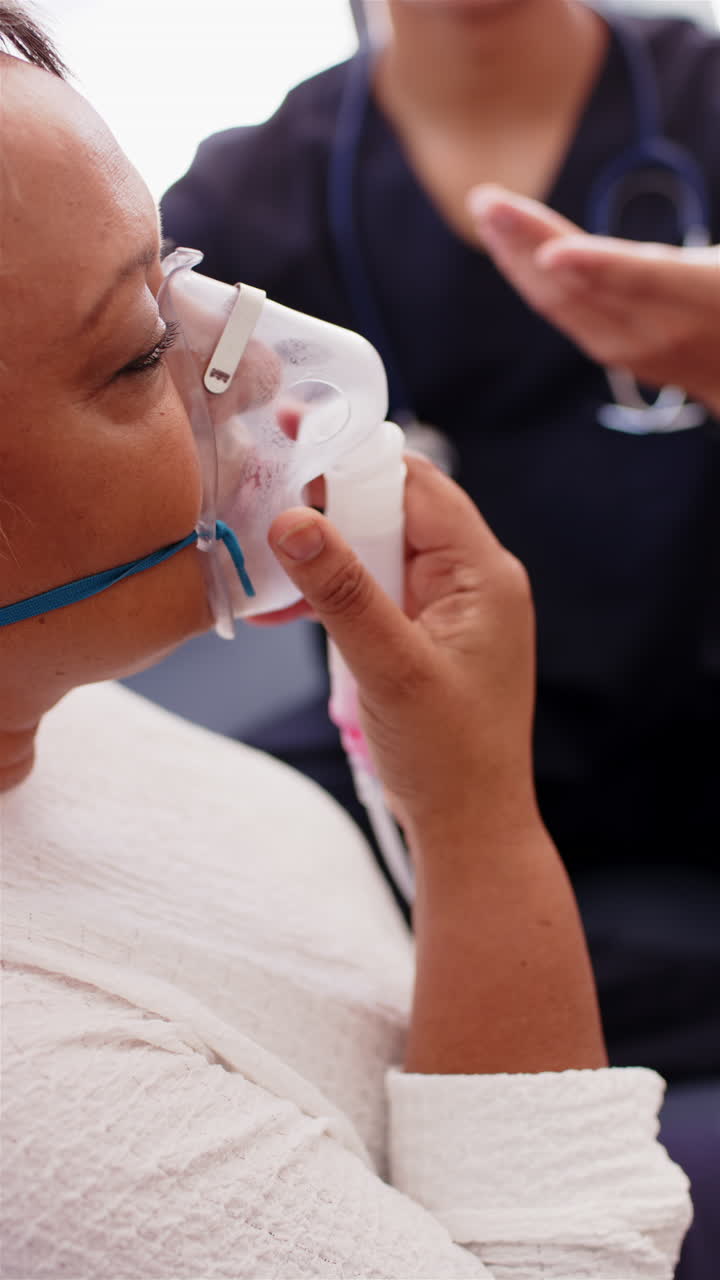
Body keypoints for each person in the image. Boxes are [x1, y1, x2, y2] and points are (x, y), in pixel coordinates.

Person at [0, 5, 694, 1277]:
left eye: (174, 269)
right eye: (149, 349)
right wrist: (479, 820)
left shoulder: (68, 710)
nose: (264, 374)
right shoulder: (46, 1125)